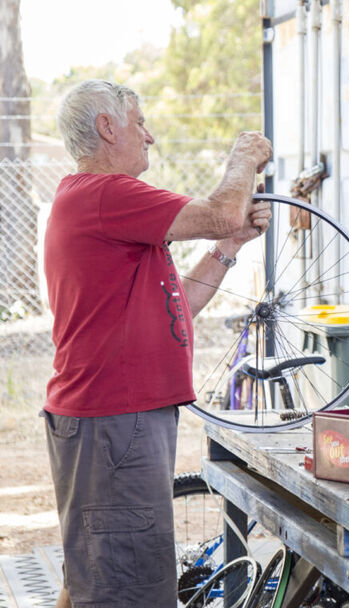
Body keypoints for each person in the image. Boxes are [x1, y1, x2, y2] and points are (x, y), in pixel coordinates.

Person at [43, 79, 272, 607]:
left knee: (97, 578)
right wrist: (242, 158)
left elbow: (179, 309)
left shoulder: (100, 208)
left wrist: (229, 246)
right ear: (107, 127)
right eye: (140, 122)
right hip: (113, 423)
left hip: (113, 422)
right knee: (128, 589)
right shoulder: (105, 194)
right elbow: (222, 209)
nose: (151, 137)